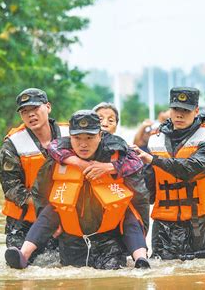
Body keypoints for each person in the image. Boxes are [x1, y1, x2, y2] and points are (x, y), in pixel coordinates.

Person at [5, 110, 150, 270]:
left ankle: (141, 259)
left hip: (109, 238)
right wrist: (56, 228)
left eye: (89, 137)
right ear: (70, 137)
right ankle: (23, 255)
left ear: (100, 135)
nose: (83, 144)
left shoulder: (117, 151)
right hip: (72, 238)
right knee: (52, 208)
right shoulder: (58, 152)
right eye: (77, 138)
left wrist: (110, 167)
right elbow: (41, 192)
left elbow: (140, 193)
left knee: (128, 210)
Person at [46, 102, 148, 263]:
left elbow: (138, 176)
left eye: (111, 119)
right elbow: (52, 148)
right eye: (101, 118)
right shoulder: (68, 146)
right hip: (74, 227)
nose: (106, 122)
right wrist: (80, 163)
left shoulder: (121, 149)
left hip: (111, 223)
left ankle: (140, 258)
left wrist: (110, 167)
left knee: (129, 214)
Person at [132, 87, 205, 260]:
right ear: (170, 110)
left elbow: (193, 168)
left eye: (185, 110)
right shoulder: (155, 138)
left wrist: (154, 160)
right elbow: (147, 189)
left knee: (203, 279)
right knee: (163, 280)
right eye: (175, 109)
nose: (179, 115)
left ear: (196, 111)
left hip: (199, 226)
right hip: (164, 226)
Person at [0, 88, 62, 262]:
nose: (31, 115)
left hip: (65, 218)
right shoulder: (12, 145)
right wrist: (47, 212)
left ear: (48, 107)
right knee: (22, 269)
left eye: (35, 108)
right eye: (25, 111)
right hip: (24, 223)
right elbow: (11, 188)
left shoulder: (71, 136)